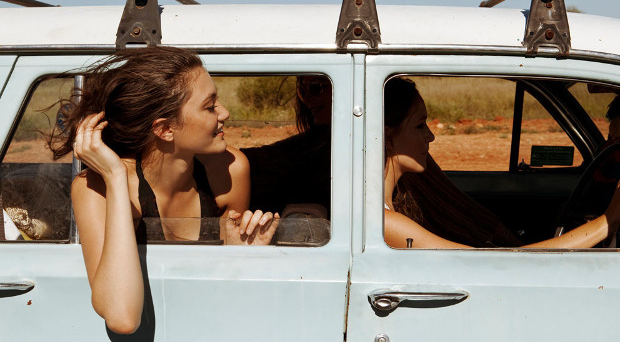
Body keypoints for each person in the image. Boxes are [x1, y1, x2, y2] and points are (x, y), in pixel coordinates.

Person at [49, 47, 279, 334]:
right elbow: (122, 317)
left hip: (206, 332)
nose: (225, 113)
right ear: (165, 129)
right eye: (210, 106)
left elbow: (224, 288)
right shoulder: (95, 188)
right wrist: (116, 176)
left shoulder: (230, 170)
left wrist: (240, 257)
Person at [383, 77, 620, 249]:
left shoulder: (393, 205)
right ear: (386, 137)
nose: (431, 136)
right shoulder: (386, 223)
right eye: (419, 125)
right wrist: (606, 222)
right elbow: (487, 267)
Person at [241, 75, 331, 216]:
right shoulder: (316, 139)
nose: (306, 98)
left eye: (315, 87)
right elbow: (274, 156)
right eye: (302, 90)